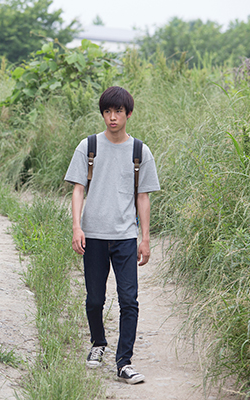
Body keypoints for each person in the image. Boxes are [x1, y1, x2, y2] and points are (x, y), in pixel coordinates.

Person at [64, 86, 160, 385]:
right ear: (103, 114)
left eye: (118, 111)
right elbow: (78, 189)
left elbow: (143, 197)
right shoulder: (89, 146)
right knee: (94, 299)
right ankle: (98, 343)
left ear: (128, 114)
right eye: (107, 111)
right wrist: (77, 227)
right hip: (93, 235)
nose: (112, 117)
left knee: (129, 299)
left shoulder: (139, 151)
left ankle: (124, 362)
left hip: (125, 236)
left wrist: (145, 238)